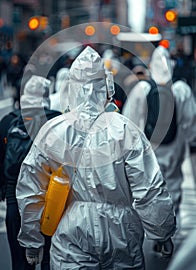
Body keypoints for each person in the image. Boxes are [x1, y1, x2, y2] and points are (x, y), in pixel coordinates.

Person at [16, 46, 176, 269]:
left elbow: (32, 187)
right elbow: (148, 186)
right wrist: (162, 231)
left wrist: (32, 240)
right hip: (122, 232)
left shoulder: (54, 131)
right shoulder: (125, 130)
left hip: (72, 229)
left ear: (71, 87)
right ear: (107, 86)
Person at [122, 45, 196, 217]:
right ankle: (170, 227)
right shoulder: (180, 89)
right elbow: (190, 119)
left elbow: (130, 119)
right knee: (173, 185)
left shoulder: (142, 89)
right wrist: (192, 141)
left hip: (149, 147)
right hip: (174, 146)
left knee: (149, 186)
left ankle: (152, 226)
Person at [0, 75, 61, 270]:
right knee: (48, 257)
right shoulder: (57, 119)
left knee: (20, 259)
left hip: (14, 195)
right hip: (50, 195)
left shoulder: (9, 121)